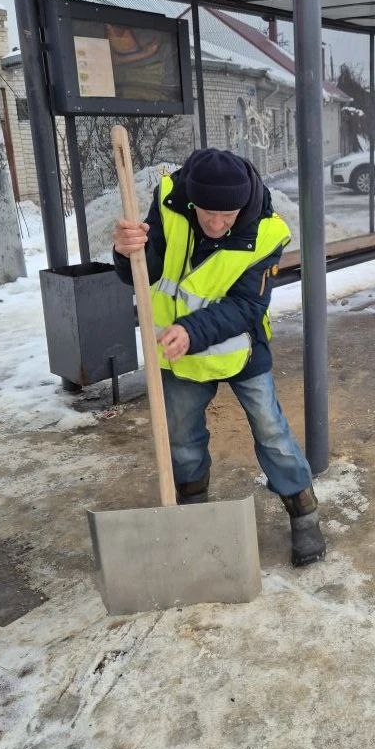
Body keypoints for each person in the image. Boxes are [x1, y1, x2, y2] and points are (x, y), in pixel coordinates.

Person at [112, 148, 326, 567]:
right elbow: (146, 270)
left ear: (242, 205)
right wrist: (126, 251)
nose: (215, 223)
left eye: (227, 215)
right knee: (181, 436)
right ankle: (194, 514)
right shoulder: (169, 204)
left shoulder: (267, 233)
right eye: (208, 212)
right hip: (177, 353)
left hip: (240, 348)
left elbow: (248, 306)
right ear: (192, 200)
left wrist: (193, 330)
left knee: (271, 430)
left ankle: (304, 513)